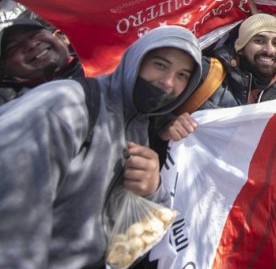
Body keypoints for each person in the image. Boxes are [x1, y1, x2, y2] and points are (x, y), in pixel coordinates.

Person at [0, 25, 203, 268]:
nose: (168, 82)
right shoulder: (64, 104)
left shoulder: (142, 127)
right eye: (160, 64)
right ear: (135, 61)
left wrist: (151, 192)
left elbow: (130, 249)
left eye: (182, 75)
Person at [0, 16, 83, 105]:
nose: (32, 45)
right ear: (4, 69)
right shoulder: (11, 108)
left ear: (57, 36)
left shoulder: (96, 61)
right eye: (13, 47)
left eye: (36, 34)